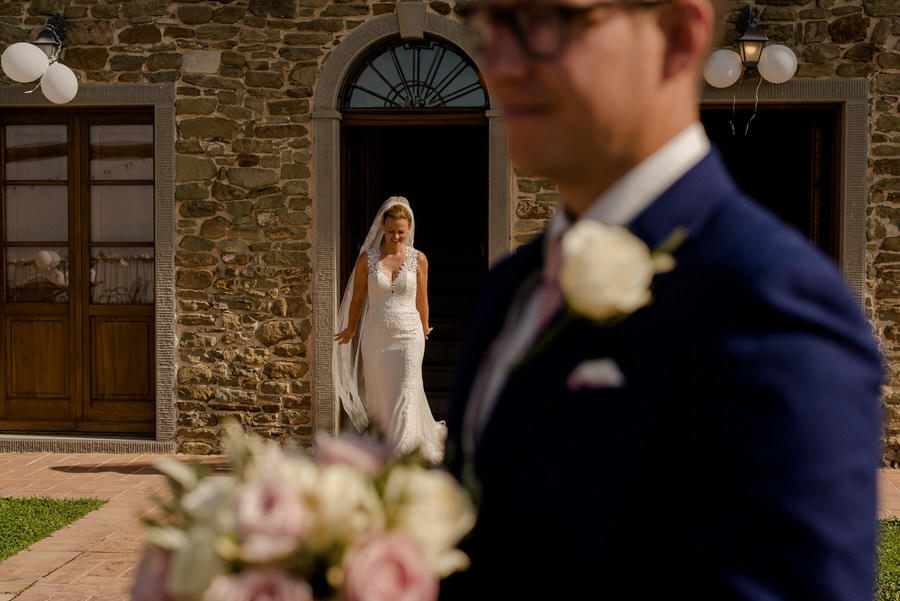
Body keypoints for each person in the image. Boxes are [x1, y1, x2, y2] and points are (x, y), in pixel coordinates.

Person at [442, 1, 884, 600]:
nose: (497, 65)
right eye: (489, 25)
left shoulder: (769, 301)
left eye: (543, 22)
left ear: (677, 36)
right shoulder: (508, 288)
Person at [334, 196, 447, 463]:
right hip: (376, 338)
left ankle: (403, 453)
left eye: (401, 232)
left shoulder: (419, 259)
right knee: (381, 396)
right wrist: (351, 327)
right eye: (390, 231)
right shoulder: (367, 260)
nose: (395, 236)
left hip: (409, 335)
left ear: (409, 230)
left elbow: (422, 298)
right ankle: (383, 445)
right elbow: (359, 298)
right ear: (382, 228)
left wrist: (424, 325)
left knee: (405, 392)